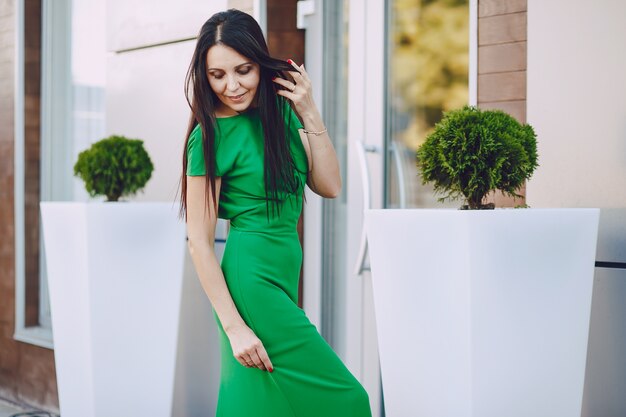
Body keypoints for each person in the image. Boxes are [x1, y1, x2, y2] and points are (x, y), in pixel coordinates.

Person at [180, 9, 372, 417]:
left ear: (260, 62)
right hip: (251, 282)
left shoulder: (281, 115)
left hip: (281, 276)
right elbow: (198, 241)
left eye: (243, 70)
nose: (232, 85)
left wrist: (310, 112)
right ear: (204, 75)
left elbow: (330, 186)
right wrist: (233, 326)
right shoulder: (210, 135)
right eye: (217, 75)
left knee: (260, 403)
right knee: (349, 401)